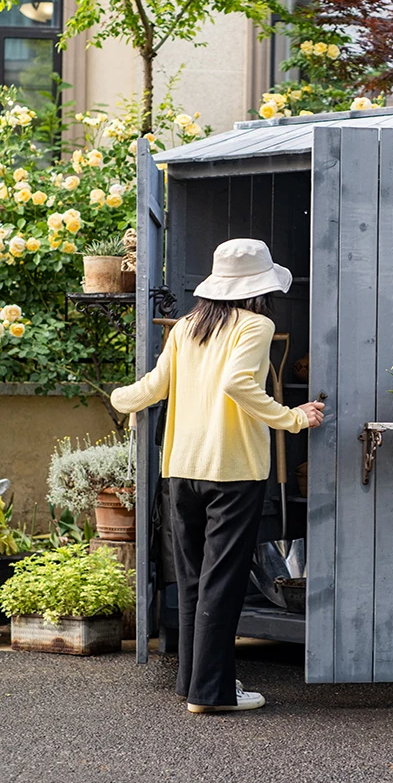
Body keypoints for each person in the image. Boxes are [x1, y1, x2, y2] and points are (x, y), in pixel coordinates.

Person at [110, 239, 324, 714]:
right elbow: (238, 384)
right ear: (259, 288)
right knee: (221, 582)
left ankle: (193, 683)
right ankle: (213, 693)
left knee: (192, 581)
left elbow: (155, 386)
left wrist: (120, 399)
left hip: (181, 469)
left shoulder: (186, 326)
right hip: (233, 471)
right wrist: (293, 418)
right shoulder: (257, 325)